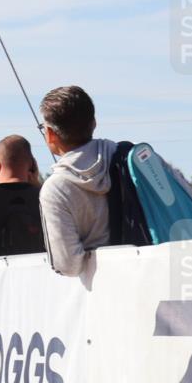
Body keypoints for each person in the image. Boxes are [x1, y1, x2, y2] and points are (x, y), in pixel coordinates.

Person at [37, 86, 119, 276]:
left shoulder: (56, 189)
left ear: (50, 134)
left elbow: (68, 265)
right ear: (94, 122)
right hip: (156, 275)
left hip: (105, 287)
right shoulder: (132, 156)